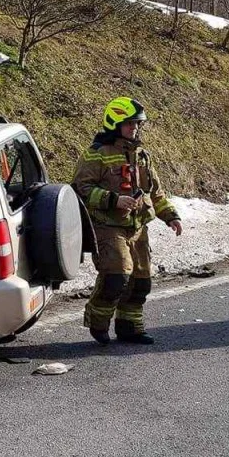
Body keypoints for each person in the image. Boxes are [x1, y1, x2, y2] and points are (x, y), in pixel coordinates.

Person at [72, 97, 183, 345]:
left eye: (137, 124)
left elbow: (155, 192)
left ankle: (129, 327)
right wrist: (114, 200)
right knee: (116, 277)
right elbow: (80, 189)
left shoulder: (142, 156)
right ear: (114, 124)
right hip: (107, 227)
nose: (135, 128)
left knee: (141, 282)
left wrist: (170, 216)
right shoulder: (97, 154)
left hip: (138, 228)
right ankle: (98, 323)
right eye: (130, 123)